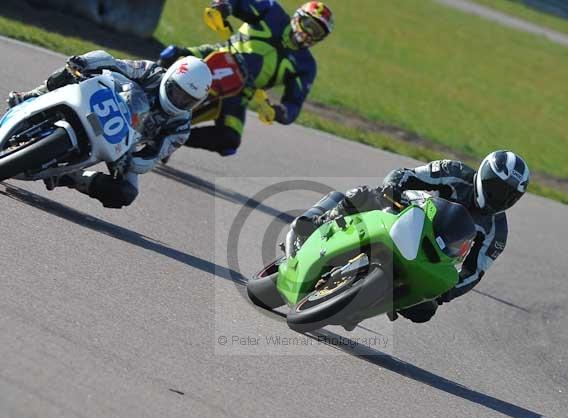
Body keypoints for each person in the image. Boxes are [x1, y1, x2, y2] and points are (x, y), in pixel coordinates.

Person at [287, 151, 530, 323]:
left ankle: (362, 305)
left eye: (509, 196)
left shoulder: (497, 232)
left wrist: (447, 292)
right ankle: (319, 222)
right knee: (361, 195)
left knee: (425, 311)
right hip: (404, 217)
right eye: (497, 189)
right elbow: (406, 174)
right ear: (484, 175)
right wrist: (392, 188)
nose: (501, 199)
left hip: (432, 259)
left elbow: (473, 272)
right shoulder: (454, 173)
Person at [6, 50, 212, 208]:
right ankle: (33, 95)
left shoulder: (181, 128)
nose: (180, 100)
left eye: (188, 100)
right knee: (72, 72)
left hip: (124, 143)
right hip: (109, 100)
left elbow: (153, 157)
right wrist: (85, 62)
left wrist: (130, 161)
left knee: (126, 192)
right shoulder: (151, 71)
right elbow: (115, 63)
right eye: (177, 91)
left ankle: (71, 177)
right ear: (171, 77)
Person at [159, 0, 334, 156]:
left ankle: (174, 140)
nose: (309, 33)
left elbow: (294, 105)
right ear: (298, 17)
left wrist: (279, 112)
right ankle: (138, 92)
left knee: (230, 140)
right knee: (170, 54)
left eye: (317, 32)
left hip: (239, 94)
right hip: (215, 57)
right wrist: (224, 6)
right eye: (308, 24)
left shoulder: (306, 66)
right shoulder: (272, 11)